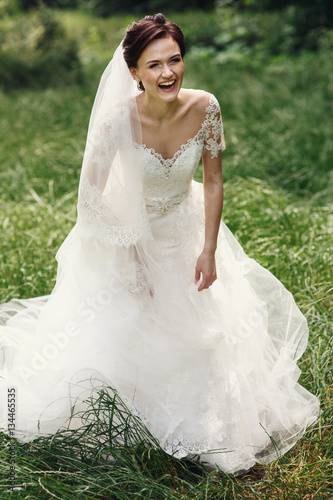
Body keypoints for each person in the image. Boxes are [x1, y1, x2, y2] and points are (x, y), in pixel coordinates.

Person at [0, 14, 319, 476]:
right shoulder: (117, 120)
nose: (168, 73)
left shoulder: (206, 106)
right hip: (126, 235)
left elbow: (212, 181)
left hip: (186, 227)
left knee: (208, 324)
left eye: (175, 60)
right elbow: (90, 198)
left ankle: (214, 429)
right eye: (154, 65)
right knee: (131, 322)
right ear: (134, 74)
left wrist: (208, 248)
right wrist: (133, 259)